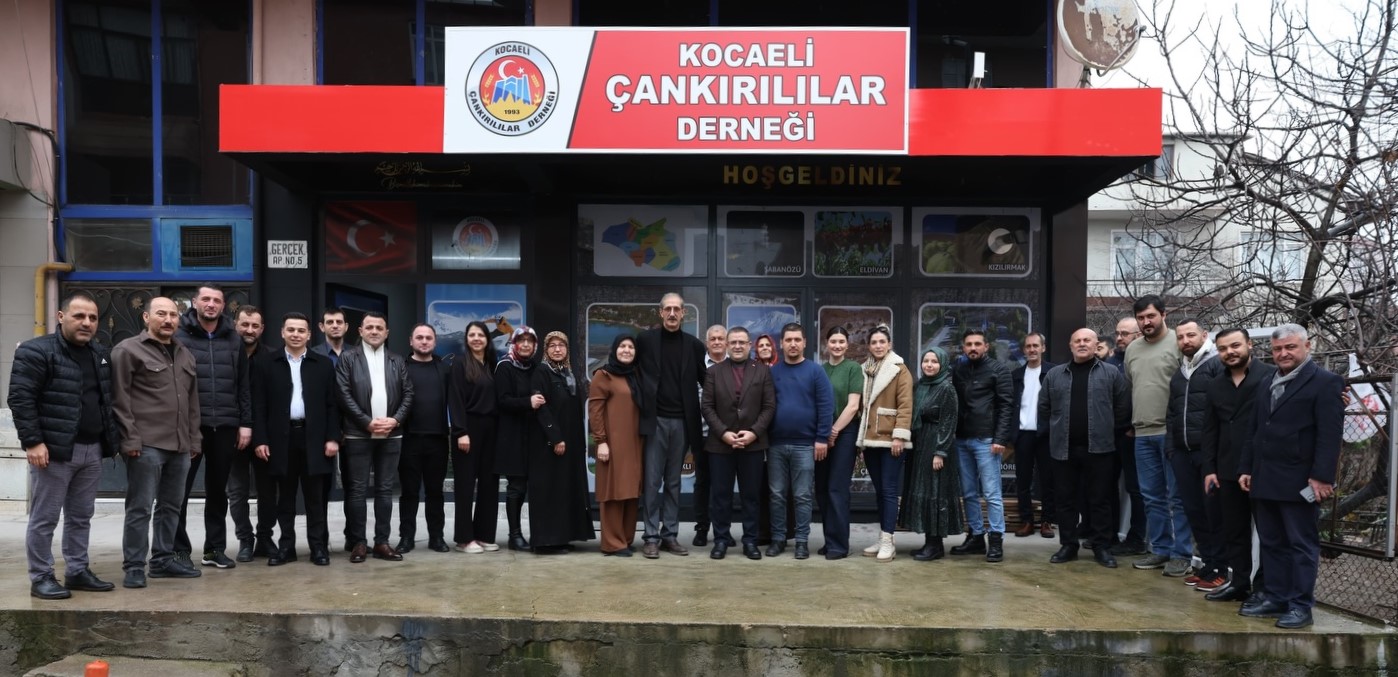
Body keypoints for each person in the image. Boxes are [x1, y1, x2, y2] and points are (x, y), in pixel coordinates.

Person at [9, 292, 121, 599]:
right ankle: (41, 576)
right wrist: (33, 442)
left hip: (91, 449)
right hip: (54, 451)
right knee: (45, 518)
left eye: (93, 318)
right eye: (79, 316)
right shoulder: (36, 351)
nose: (87, 323)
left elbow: (104, 399)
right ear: (61, 317)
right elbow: (21, 398)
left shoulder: (99, 353)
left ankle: (77, 570)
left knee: (81, 516)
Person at [1238, 324, 1343, 630]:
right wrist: (1247, 467)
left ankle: (1300, 606)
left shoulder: (1326, 382)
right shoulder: (1267, 382)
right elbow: (1255, 429)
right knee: (1271, 543)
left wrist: (1321, 477)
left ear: (1307, 347)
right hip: (1265, 477)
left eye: (1290, 347)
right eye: (1277, 349)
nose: (1283, 353)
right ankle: (1276, 597)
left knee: (1301, 545)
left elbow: (1330, 435)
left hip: (1300, 480)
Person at [111, 297, 202, 589]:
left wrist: (194, 438)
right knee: (140, 508)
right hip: (145, 444)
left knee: (171, 506)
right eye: (161, 313)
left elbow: (192, 403)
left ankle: (162, 560)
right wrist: (129, 438)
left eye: (173, 315)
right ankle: (134, 566)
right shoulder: (127, 351)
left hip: (180, 445)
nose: (168, 319)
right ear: (146, 317)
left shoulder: (185, 354)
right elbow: (119, 399)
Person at [249, 312, 340, 566]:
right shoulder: (266, 363)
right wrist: (260, 439)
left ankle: (318, 547)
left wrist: (333, 438)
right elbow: (259, 405)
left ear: (309, 334)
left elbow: (332, 405)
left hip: (315, 439)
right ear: (282, 332)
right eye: (291, 330)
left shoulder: (323, 364)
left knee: (315, 499)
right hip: (280, 440)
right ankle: (286, 547)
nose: (296, 335)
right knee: (285, 498)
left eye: (301, 330)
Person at [173, 284, 252, 571]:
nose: (211, 304)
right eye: (205, 299)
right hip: (189, 427)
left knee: (218, 491)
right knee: (179, 492)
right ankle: (178, 550)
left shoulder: (234, 338)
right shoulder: (178, 335)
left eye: (216, 300)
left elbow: (243, 384)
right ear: (194, 302)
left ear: (223, 306)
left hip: (226, 425)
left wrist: (245, 423)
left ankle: (214, 549)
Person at [1038, 328, 1131, 568]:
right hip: (1063, 449)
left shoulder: (1111, 373)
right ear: (1070, 346)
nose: (1081, 344)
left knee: (1100, 499)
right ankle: (1068, 545)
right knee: (1065, 500)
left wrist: (1109, 431)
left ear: (1096, 344)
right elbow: (1044, 407)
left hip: (1100, 448)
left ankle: (1102, 546)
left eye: (1086, 340)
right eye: (1077, 341)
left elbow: (1122, 407)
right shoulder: (1055, 375)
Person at [1200, 327, 1275, 603]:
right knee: (1235, 530)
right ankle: (1239, 583)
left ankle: (1265, 588)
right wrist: (1209, 469)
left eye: (1235, 346)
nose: (1229, 352)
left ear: (1249, 345)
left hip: (1262, 466)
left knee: (1267, 532)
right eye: (1222, 348)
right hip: (1227, 467)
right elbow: (1210, 430)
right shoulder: (1215, 384)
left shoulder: (1270, 375)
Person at [335, 311, 414, 563]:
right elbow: (343, 394)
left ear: (387, 332)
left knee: (385, 490)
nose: (374, 331)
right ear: (360, 331)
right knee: (357, 490)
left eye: (379, 328)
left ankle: (382, 542)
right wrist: (367, 422)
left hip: (391, 434)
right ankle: (359, 543)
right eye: (369, 327)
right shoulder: (348, 358)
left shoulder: (397, 360)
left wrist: (395, 420)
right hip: (358, 434)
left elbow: (408, 393)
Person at [1123, 295, 1191, 576]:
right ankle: (1160, 549)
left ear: (1164, 314)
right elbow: (1132, 385)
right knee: (1151, 497)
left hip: (1171, 433)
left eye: (1150, 316)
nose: (1146, 322)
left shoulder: (1179, 342)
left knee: (1177, 497)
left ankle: (1182, 554)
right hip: (1142, 433)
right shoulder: (1132, 349)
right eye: (1140, 318)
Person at [635, 293, 706, 559]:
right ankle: (651, 537)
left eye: (677, 309)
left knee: (674, 482)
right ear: (660, 312)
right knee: (652, 482)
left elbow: (706, 381)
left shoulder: (694, 346)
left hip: (683, 422)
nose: (673, 313)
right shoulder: (645, 341)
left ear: (684, 313)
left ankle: (670, 535)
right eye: (668, 309)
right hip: (654, 421)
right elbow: (631, 371)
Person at [701, 326, 775, 560]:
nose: (737, 346)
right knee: (720, 496)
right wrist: (723, 432)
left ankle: (750, 541)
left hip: (753, 444)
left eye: (742, 342)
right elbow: (707, 407)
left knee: (751, 497)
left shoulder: (762, 371)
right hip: (720, 444)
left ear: (749, 345)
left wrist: (753, 433)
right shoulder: (714, 372)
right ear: (726, 345)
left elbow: (769, 407)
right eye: (733, 342)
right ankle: (721, 540)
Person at [1166, 318, 1226, 586]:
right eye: (1180, 337)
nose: (1185, 341)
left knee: (1214, 511)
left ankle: (1220, 569)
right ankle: (1207, 566)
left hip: (1208, 454)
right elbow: (1171, 413)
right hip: (1183, 453)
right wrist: (1171, 449)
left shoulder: (1217, 364)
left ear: (1204, 335)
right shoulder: (1180, 373)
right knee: (1194, 511)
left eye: (1190, 335)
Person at [767, 323, 835, 560]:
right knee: (776, 494)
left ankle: (802, 542)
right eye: (788, 340)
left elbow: (826, 406)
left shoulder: (815, 372)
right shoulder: (773, 372)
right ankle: (778, 539)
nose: (793, 344)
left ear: (804, 342)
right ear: (781, 343)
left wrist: (822, 438)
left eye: (797, 339)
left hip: (805, 445)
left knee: (803, 495)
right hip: (775, 444)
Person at [950, 328, 1014, 563]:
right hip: (961, 439)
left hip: (986, 440)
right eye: (969, 344)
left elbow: (1006, 406)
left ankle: (996, 540)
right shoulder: (958, 369)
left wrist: (1000, 439)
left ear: (986, 346)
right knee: (968, 492)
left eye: (978, 344)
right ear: (963, 347)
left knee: (991, 493)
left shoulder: (999, 370)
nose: (973, 348)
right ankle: (976, 536)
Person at [529, 332, 597, 553]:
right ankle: (545, 542)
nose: (557, 349)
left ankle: (562, 537)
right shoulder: (542, 372)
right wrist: (556, 438)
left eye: (561, 345)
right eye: (552, 346)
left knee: (564, 490)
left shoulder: (567, 373)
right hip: (550, 444)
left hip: (570, 443)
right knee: (549, 491)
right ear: (546, 350)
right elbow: (542, 409)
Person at [898, 347, 960, 562]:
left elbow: (948, 422)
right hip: (920, 444)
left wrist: (940, 452)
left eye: (934, 361)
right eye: (926, 361)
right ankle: (928, 541)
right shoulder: (920, 386)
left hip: (936, 445)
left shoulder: (946, 388)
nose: (929, 365)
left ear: (942, 365)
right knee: (923, 490)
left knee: (935, 492)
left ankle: (935, 545)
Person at [856, 325, 912, 562]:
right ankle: (883, 536)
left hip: (891, 439)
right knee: (880, 491)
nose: (878, 346)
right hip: (870, 440)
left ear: (889, 344)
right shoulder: (864, 369)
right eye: (874, 342)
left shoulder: (900, 369)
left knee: (889, 491)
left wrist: (899, 436)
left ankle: (889, 540)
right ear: (869, 346)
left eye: (882, 342)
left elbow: (906, 404)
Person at [447, 321, 501, 553]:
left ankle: (484, 535)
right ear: (466, 339)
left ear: (487, 339)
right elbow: (455, 399)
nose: (476, 338)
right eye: (472, 335)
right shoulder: (460, 364)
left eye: (481, 335)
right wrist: (461, 432)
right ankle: (464, 539)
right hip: (468, 429)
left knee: (490, 484)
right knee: (465, 485)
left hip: (491, 430)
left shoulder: (492, 364)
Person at [396, 324, 451, 554]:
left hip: (437, 440)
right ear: (411, 341)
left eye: (429, 338)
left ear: (435, 342)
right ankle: (406, 538)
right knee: (409, 493)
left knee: (435, 492)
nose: (424, 341)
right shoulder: (400, 367)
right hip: (409, 440)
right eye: (419, 337)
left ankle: (436, 537)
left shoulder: (444, 369)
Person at [588, 335, 645, 557]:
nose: (627, 350)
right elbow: (595, 412)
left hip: (635, 443)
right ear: (614, 349)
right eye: (622, 346)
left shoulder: (636, 375)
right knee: (613, 491)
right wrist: (601, 442)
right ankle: (612, 543)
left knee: (630, 491)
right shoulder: (603, 376)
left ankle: (626, 539)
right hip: (612, 443)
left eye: (631, 347)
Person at [229, 305, 275, 563]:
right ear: (235, 324)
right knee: (237, 492)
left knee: (268, 491)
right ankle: (245, 539)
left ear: (262, 329)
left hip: (265, 437)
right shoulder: (225, 354)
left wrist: (262, 436)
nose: (249, 330)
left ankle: (265, 538)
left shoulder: (272, 357)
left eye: (255, 326)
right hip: (232, 436)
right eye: (245, 324)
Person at [494, 326, 544, 552]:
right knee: (517, 487)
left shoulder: (535, 367)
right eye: (521, 340)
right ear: (513, 344)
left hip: (533, 436)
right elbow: (502, 401)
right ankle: (515, 535)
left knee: (536, 487)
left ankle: (541, 534)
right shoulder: (505, 367)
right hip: (512, 437)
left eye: (529, 341)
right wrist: (528, 402)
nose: (525, 345)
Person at [816, 326, 864, 560]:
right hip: (822, 434)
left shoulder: (853, 368)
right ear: (827, 344)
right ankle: (829, 540)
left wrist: (834, 430)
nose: (837, 345)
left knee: (837, 488)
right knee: (822, 488)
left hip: (844, 433)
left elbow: (853, 405)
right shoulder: (820, 370)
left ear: (847, 344)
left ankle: (839, 545)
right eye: (833, 341)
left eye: (841, 342)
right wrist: (823, 432)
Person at [1108, 316, 1148, 556]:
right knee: (1107, 486)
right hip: (1108, 436)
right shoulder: (1109, 363)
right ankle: (1109, 534)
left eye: (1125, 334)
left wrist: (1134, 426)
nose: (1119, 338)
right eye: (1117, 333)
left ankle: (1136, 538)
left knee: (1136, 488)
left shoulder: (1143, 360)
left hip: (1134, 434)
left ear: (1138, 335)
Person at [1011, 332, 1056, 539]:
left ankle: (1047, 521)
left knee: (1048, 480)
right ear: (1024, 350)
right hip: (1023, 434)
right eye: (1028, 346)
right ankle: (1027, 521)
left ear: (1043, 348)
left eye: (1035, 346)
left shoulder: (1053, 373)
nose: (1032, 350)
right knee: (1023, 480)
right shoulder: (1016, 375)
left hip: (1046, 434)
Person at [691, 324, 728, 547]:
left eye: (720, 338)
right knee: (703, 483)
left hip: (728, 437)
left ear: (726, 342)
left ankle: (723, 530)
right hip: (703, 435)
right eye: (713, 339)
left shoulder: (734, 365)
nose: (716, 342)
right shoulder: (697, 366)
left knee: (723, 486)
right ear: (707, 343)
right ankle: (702, 528)